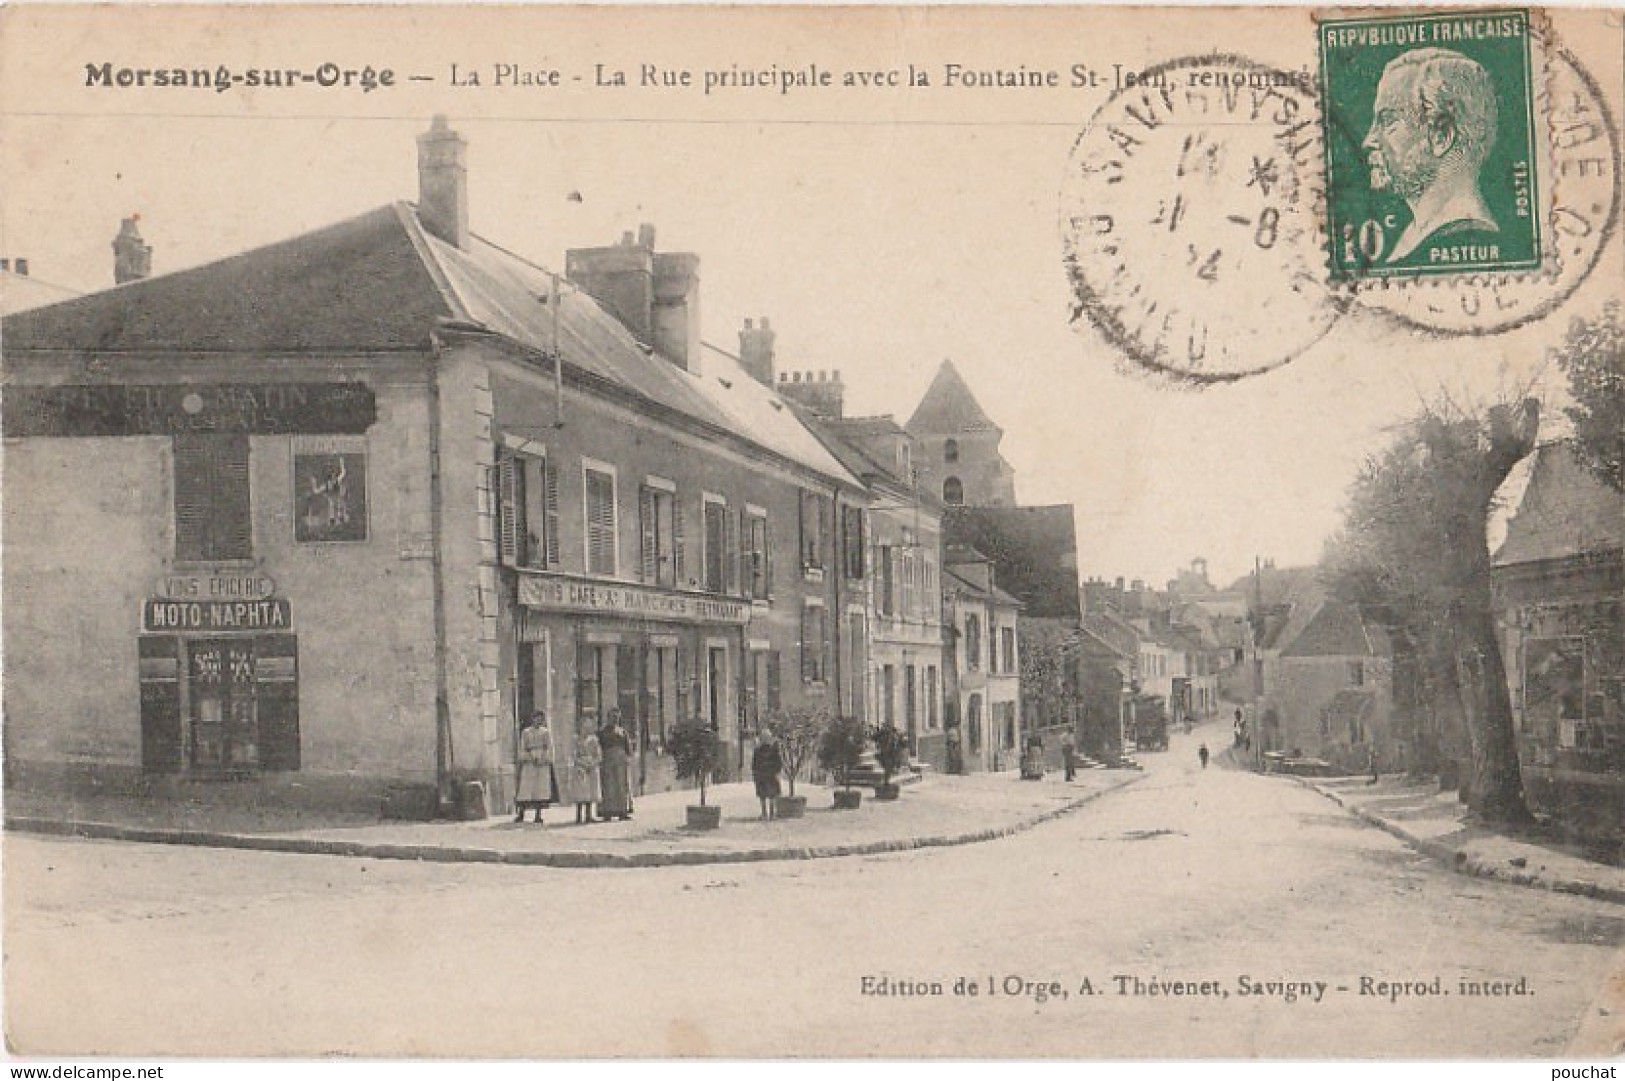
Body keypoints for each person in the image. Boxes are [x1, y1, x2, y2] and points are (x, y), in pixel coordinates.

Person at [1362, 48, 1501, 263]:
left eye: (1388, 121)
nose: (1368, 141)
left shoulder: (1461, 237)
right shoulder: (1416, 236)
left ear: (1441, 137)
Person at [514, 711, 555, 824]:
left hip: (541, 762)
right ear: (532, 719)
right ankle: (521, 814)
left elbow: (549, 747)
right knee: (526, 789)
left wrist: (544, 758)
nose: (538, 721)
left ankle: (538, 815)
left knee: (540, 789)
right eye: (536, 718)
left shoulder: (545, 732)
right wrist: (528, 757)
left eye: (540, 719)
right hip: (529, 762)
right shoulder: (526, 732)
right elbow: (522, 747)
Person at [598, 708, 634, 821]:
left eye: (617, 718)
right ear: (608, 718)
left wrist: (627, 757)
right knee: (608, 786)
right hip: (607, 761)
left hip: (621, 761)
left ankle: (622, 811)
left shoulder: (622, 732)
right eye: (613, 717)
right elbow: (598, 747)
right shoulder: (602, 732)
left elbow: (628, 748)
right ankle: (607, 812)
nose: (615, 720)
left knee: (622, 786)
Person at [565, 725, 603, 824]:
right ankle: (578, 816)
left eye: (588, 727)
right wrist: (579, 764)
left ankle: (588, 815)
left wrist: (593, 763)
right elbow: (573, 754)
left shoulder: (594, 740)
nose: (586, 730)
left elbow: (598, 754)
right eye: (584, 727)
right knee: (580, 791)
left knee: (590, 791)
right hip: (580, 766)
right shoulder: (575, 740)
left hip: (591, 766)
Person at [752, 734, 783, 819]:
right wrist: (777, 772)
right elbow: (779, 763)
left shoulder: (757, 751)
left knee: (762, 796)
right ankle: (772, 814)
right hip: (772, 775)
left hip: (761, 775)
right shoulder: (774, 750)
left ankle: (764, 813)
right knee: (772, 795)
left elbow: (754, 765)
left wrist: (755, 775)